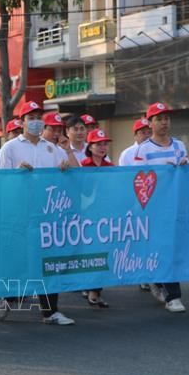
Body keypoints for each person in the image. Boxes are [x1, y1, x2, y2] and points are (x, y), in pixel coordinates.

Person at [0, 101, 79, 325]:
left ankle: (49, 311)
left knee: (48, 261)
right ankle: (8, 297)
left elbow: (76, 173)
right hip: (20, 215)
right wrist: (17, 174)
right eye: (30, 117)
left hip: (47, 214)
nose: (36, 121)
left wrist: (65, 168)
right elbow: (1, 184)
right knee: (19, 260)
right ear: (21, 121)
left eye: (39, 116)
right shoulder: (10, 148)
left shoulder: (51, 148)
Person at [133, 102, 188, 313]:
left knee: (172, 249)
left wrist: (183, 169)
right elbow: (138, 179)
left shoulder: (179, 146)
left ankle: (159, 281)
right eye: (159, 119)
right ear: (150, 122)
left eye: (166, 118)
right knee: (162, 248)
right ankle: (173, 296)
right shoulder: (143, 150)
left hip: (176, 207)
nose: (164, 123)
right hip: (154, 209)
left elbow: (187, 173)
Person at [80, 129, 115, 307]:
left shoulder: (111, 168)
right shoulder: (83, 166)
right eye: (98, 144)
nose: (102, 147)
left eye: (104, 144)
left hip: (106, 217)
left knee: (103, 253)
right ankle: (90, 288)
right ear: (90, 146)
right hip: (87, 218)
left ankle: (96, 290)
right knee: (90, 253)